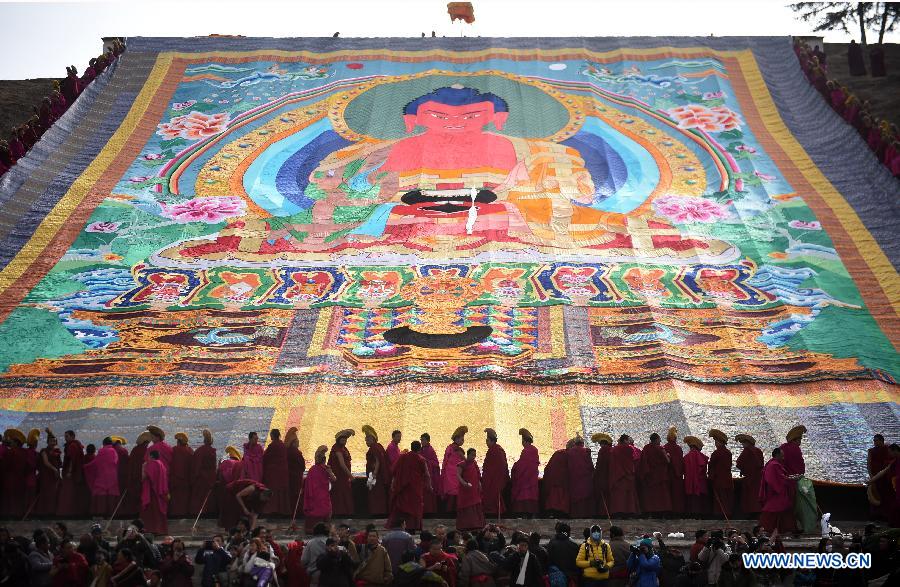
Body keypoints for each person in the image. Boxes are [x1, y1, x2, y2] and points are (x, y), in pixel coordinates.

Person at [388, 440, 430, 531]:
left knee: (404, 505)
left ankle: (402, 526)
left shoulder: (403, 457)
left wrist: (393, 483)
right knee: (415, 506)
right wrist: (429, 485)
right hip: (416, 487)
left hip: (404, 487)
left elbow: (394, 470)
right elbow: (426, 474)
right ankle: (414, 526)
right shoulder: (421, 459)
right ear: (419, 449)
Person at [759, 447, 796, 533]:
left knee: (783, 510)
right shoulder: (774, 465)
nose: (783, 458)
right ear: (777, 455)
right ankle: (766, 529)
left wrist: (788, 478)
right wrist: (790, 479)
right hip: (776, 492)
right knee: (773, 509)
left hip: (776, 490)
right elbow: (775, 479)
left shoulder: (772, 463)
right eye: (782, 456)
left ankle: (784, 529)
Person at [83, 436, 120, 517]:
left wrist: (85, 466)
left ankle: (100, 513)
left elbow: (96, 462)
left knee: (100, 493)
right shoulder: (114, 451)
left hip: (102, 476)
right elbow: (116, 462)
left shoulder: (101, 451)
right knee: (111, 494)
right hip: (112, 476)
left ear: (103, 443)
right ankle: (111, 514)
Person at [57, 429, 90, 517]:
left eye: (67, 436)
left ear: (72, 436)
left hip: (71, 473)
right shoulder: (76, 445)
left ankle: (67, 512)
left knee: (68, 492)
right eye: (65, 437)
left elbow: (72, 459)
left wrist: (69, 471)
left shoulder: (72, 446)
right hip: (76, 473)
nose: (65, 438)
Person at [304, 445, 336, 534]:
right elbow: (334, 479)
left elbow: (307, 484)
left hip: (316, 495)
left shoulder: (314, 469)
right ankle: (325, 530)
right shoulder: (323, 469)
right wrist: (330, 471)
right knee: (326, 511)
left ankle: (324, 530)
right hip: (321, 495)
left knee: (324, 511)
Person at [868, 443, 900, 527]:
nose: (889, 454)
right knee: (895, 507)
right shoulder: (895, 461)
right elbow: (884, 471)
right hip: (897, 487)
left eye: (890, 452)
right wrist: (871, 480)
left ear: (895, 451)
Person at [639, 432, 672, 516]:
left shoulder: (646, 448)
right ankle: (662, 511)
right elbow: (667, 461)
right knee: (661, 494)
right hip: (660, 475)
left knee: (652, 494)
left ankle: (651, 511)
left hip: (650, 475)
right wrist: (668, 455)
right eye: (659, 439)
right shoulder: (660, 448)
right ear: (656, 439)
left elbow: (642, 461)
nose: (660, 440)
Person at [363, 424, 392, 516]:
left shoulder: (374, 448)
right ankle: (380, 512)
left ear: (373, 439)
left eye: (368, 438)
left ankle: (377, 512)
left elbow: (377, 461)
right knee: (379, 494)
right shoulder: (378, 446)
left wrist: (374, 474)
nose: (366, 440)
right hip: (378, 475)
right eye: (366, 438)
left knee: (375, 494)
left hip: (375, 475)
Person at [261, 428, 291, 516]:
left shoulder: (272, 446)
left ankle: (271, 510)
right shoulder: (282, 445)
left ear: (273, 436)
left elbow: (265, 458)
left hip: (273, 473)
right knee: (280, 492)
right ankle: (281, 511)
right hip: (282, 473)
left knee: (272, 492)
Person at [510, 428, 539, 515]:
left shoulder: (526, 451)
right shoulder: (534, 450)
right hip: (532, 478)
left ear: (526, 441)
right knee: (531, 493)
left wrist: (515, 466)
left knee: (523, 493)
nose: (522, 443)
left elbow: (522, 464)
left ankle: (523, 512)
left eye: (523, 441)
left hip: (524, 478)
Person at [122, 431, 151, 518]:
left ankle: (135, 514)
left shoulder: (135, 450)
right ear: (146, 442)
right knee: (143, 496)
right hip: (143, 477)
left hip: (134, 476)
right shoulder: (146, 450)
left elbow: (130, 464)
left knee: (135, 496)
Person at [481, 428, 510, 518]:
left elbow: (490, 468)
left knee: (492, 497)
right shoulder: (499, 450)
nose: (486, 443)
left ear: (491, 441)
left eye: (487, 440)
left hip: (493, 480)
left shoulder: (493, 451)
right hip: (496, 479)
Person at [1, 428, 29, 517]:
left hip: (10, 476)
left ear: (16, 443)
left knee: (9, 495)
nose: (11, 443)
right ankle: (18, 513)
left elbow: (5, 465)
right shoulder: (25, 452)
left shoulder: (11, 451)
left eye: (12, 442)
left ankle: (9, 513)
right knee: (18, 496)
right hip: (21, 477)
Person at [190, 428, 218, 517]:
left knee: (199, 497)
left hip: (201, 477)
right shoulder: (212, 451)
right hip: (211, 477)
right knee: (208, 497)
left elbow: (196, 466)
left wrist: (194, 478)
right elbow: (214, 466)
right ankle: (208, 513)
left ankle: (199, 513)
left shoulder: (199, 451)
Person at [610, 434, 640, 515]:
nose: (628, 442)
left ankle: (618, 512)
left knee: (619, 494)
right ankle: (629, 511)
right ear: (625, 440)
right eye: (627, 440)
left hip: (617, 473)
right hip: (628, 473)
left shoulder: (614, 449)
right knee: (628, 494)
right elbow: (633, 459)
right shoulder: (629, 448)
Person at [456, 447, 486, 530]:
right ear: (468, 455)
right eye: (472, 455)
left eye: (474, 455)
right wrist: (464, 483)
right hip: (465, 489)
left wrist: (479, 485)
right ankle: (465, 525)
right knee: (466, 505)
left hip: (474, 489)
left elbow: (477, 475)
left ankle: (476, 524)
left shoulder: (474, 463)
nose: (473, 457)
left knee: (476, 504)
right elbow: (458, 476)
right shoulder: (461, 464)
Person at [735, 433, 764, 518]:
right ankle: (758, 513)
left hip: (750, 478)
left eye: (743, 443)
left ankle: (751, 513)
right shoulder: (758, 451)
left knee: (750, 497)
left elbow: (739, 463)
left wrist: (743, 470)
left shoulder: (747, 450)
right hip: (759, 477)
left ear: (747, 443)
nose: (742, 445)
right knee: (757, 495)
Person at [35, 428, 63, 516]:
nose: (53, 443)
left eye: (54, 441)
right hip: (46, 475)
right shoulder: (44, 451)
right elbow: (46, 462)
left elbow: (59, 463)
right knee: (46, 493)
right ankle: (43, 512)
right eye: (51, 441)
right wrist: (54, 469)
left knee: (54, 493)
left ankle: (52, 512)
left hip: (54, 476)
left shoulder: (57, 451)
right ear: (47, 442)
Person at [142, 450, 169, 535]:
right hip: (160, 491)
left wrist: (143, 467)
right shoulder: (161, 464)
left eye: (149, 456)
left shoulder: (152, 464)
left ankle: (153, 530)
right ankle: (161, 530)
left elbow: (144, 477)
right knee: (159, 512)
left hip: (152, 492)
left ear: (152, 456)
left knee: (152, 512)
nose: (148, 458)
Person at [707, 429, 733, 518]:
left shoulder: (716, 453)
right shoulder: (728, 453)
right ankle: (728, 514)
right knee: (727, 498)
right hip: (728, 479)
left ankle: (720, 515)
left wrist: (710, 476)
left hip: (719, 480)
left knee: (720, 499)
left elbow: (711, 465)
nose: (715, 443)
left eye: (716, 441)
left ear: (719, 442)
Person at [566, 434, 594, 517]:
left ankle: (576, 514)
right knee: (585, 494)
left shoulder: (569, 452)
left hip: (573, 476)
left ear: (575, 443)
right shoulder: (587, 451)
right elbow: (590, 465)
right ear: (582, 443)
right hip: (585, 477)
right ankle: (586, 513)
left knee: (576, 495)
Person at [329, 429, 355, 516]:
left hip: (343, 476)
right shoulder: (337, 449)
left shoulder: (343, 448)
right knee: (340, 493)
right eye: (343, 439)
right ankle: (340, 512)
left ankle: (345, 512)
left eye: (345, 440)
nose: (344, 441)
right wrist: (350, 476)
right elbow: (342, 464)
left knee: (344, 493)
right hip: (339, 476)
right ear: (338, 440)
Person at [545, 522, 579, 587]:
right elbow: (576, 563)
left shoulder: (552, 544)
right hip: (570, 578)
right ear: (568, 532)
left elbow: (548, 561)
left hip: (555, 578)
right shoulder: (574, 546)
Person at [442, 426, 468, 513]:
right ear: (456, 438)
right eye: (461, 438)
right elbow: (465, 461)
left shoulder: (451, 448)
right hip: (453, 474)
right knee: (454, 494)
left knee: (453, 494)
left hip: (452, 474)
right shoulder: (455, 449)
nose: (463, 440)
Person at [168, 432, 193, 517]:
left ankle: (174, 514)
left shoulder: (174, 449)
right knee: (184, 499)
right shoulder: (189, 451)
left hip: (175, 479)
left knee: (175, 499)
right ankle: (184, 514)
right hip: (186, 480)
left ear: (178, 442)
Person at [683, 436, 709, 516]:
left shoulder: (686, 457)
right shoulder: (702, 456)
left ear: (691, 446)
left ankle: (691, 514)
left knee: (691, 500)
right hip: (700, 481)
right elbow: (704, 468)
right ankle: (700, 515)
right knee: (700, 500)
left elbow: (683, 470)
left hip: (689, 481)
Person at [284, 426, 306, 519]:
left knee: (290, 494)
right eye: (297, 441)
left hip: (288, 475)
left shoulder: (287, 451)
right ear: (293, 443)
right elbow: (302, 465)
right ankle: (296, 513)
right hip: (296, 476)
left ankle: (289, 512)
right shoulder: (296, 453)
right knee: (296, 494)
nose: (298, 443)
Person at [543, 445, 570, 515]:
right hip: (563, 480)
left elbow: (547, 468)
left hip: (552, 480)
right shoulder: (568, 454)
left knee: (553, 497)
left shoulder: (557, 453)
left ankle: (552, 512)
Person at [592, 433, 613, 518]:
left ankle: (603, 513)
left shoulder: (603, 450)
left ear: (602, 443)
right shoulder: (611, 449)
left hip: (603, 474)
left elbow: (600, 463)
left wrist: (596, 473)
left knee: (603, 494)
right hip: (611, 473)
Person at [420, 432, 442, 515]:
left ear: (428, 441)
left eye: (423, 440)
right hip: (424, 474)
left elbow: (435, 463)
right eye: (421, 440)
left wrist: (426, 461)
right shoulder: (422, 449)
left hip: (430, 475)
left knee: (429, 494)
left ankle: (430, 511)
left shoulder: (430, 450)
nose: (422, 442)